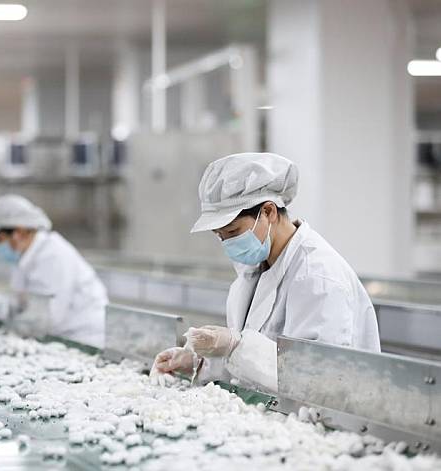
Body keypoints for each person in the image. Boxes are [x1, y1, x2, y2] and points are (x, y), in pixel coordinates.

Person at [151, 152, 380, 392]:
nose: (227, 243)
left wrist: (234, 345)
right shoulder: (255, 267)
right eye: (219, 236)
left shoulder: (317, 276)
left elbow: (316, 378)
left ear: (269, 212)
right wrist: (200, 363)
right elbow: (255, 369)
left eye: (232, 231)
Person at [0, 194, 108, 348]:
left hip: (82, 340)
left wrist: (6, 330)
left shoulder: (52, 256)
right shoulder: (25, 259)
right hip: (58, 339)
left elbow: (46, 319)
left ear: (19, 232)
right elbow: (20, 304)